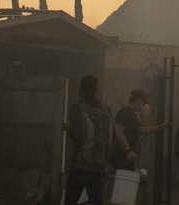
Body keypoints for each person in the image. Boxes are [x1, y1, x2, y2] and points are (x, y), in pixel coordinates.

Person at [64, 75, 114, 205]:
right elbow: (111, 134)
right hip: (100, 166)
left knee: (70, 200)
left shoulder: (78, 107)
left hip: (81, 164)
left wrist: (67, 128)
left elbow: (78, 135)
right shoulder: (106, 108)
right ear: (96, 89)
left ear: (81, 88)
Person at [112, 88, 170, 171]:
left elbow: (141, 130)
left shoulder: (132, 114)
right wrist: (128, 150)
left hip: (126, 157)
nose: (144, 105)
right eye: (144, 102)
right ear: (139, 100)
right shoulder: (125, 112)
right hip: (121, 156)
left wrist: (161, 126)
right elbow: (119, 133)